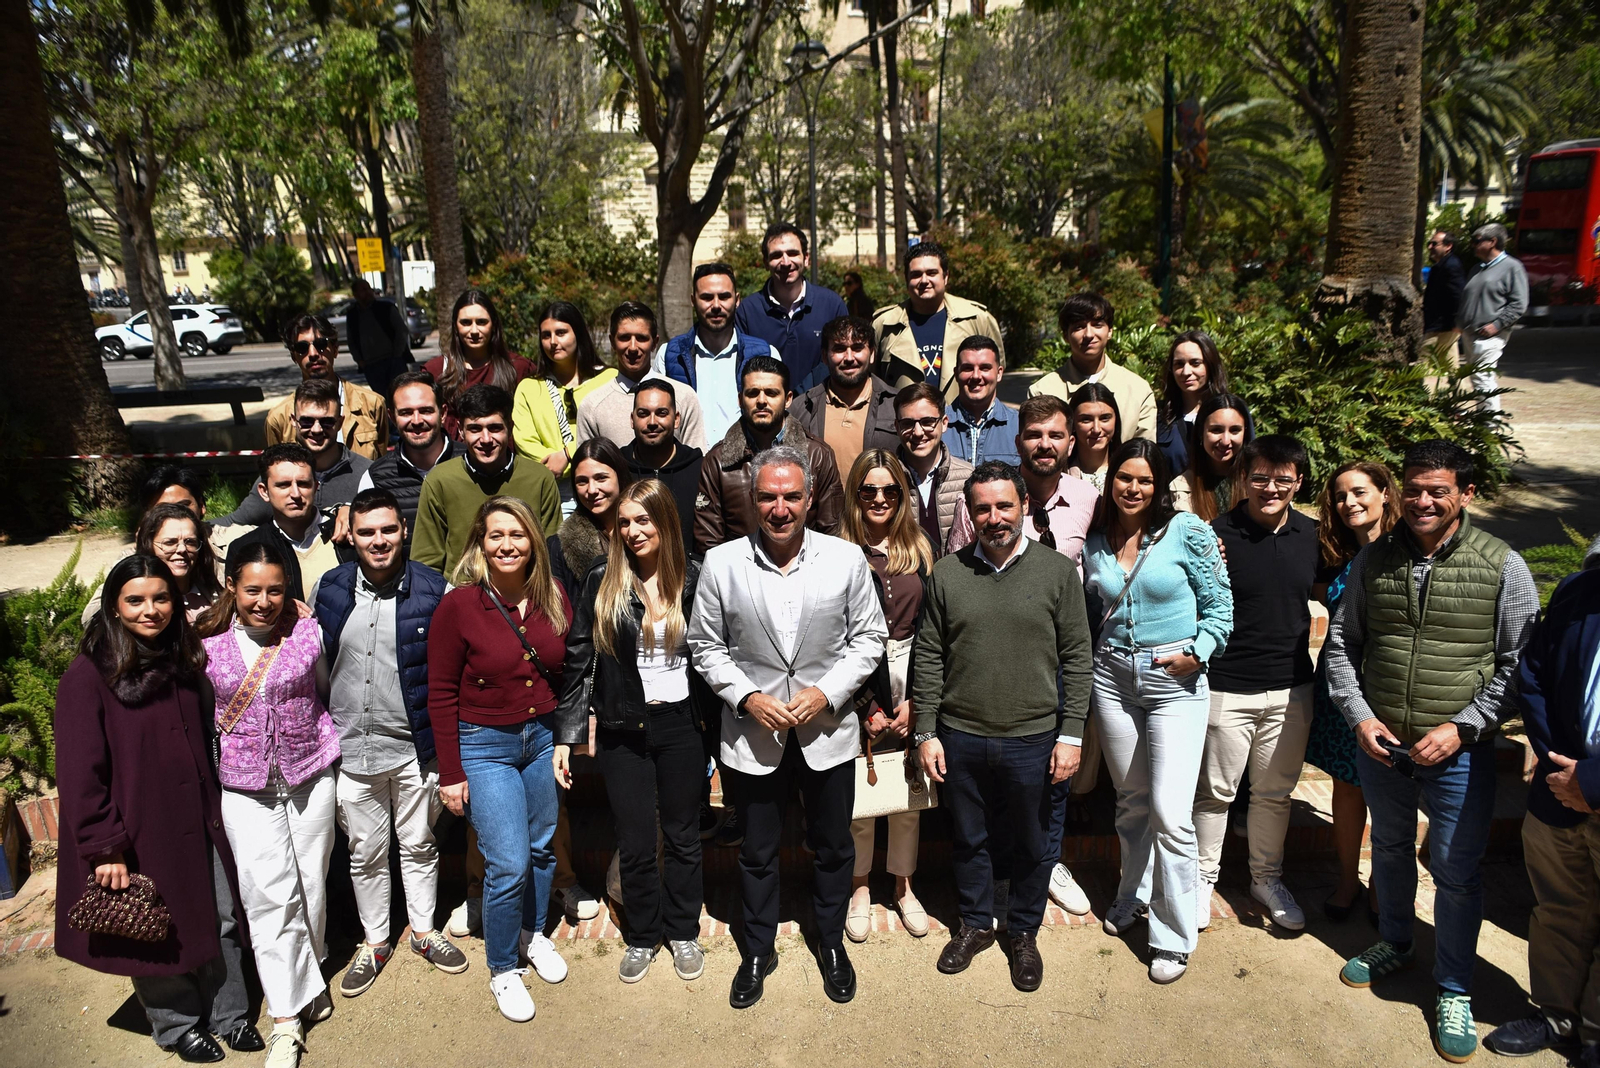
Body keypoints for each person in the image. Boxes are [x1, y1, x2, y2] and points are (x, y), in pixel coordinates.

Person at [1325, 440, 1538, 1062]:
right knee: (1388, 848)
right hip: (1383, 743)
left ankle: (1453, 987)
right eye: (1413, 489)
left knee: (1454, 870)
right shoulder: (1375, 561)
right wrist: (1360, 718)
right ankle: (1396, 940)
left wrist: (1465, 727)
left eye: (1437, 490)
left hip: (1459, 754)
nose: (1422, 500)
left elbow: (1520, 665)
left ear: (1464, 495)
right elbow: (1342, 644)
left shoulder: (1502, 564)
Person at [688, 445, 886, 1009]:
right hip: (754, 734)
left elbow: (869, 639)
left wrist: (828, 690)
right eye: (769, 497)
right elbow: (705, 645)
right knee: (756, 851)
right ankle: (758, 948)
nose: (780, 508)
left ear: (811, 498)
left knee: (832, 846)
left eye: (791, 496)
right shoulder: (723, 563)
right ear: (752, 501)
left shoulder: (846, 559)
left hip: (827, 730)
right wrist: (746, 696)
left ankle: (830, 944)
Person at [55, 555, 258, 1064]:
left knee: (220, 916)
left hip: (200, 817)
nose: (151, 610)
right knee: (154, 927)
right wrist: (105, 846)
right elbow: (80, 774)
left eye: (161, 597)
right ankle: (176, 1024)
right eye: (136, 600)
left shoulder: (182, 659)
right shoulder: (89, 676)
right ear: (114, 606)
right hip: (139, 829)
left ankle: (229, 1015)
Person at [913, 461, 1093, 992]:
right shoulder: (946, 574)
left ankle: (1023, 933)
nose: (994, 517)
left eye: (1004, 506)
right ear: (969, 513)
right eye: (983, 508)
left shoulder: (1057, 573)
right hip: (961, 734)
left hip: (1035, 737)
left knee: (1033, 842)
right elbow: (928, 656)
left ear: (1023, 507)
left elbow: (1077, 657)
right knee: (970, 839)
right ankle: (974, 924)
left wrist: (1072, 732)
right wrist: (926, 731)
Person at [1084, 439, 1232, 985]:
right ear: (1111, 479)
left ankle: (1172, 936)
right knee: (1131, 799)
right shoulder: (1097, 539)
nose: (1133, 488)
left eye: (1145, 480)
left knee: (1171, 812)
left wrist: (1200, 650)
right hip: (1113, 677)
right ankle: (1134, 892)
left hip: (1175, 679)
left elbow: (1220, 604)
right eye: (1125, 477)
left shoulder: (1187, 531)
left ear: (1159, 484)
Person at [310, 490, 467, 998]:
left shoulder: (433, 591)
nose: (378, 541)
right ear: (350, 536)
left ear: (402, 530)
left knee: (419, 844)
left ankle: (423, 931)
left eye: (387, 530)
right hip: (351, 751)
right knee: (365, 852)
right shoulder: (328, 590)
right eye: (366, 532)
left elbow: (448, 678)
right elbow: (313, 668)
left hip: (412, 748)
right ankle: (375, 941)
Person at [554, 480, 712, 984]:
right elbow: (579, 659)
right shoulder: (603, 579)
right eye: (624, 523)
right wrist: (568, 734)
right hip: (623, 726)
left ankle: (683, 929)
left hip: (683, 724)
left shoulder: (695, 578)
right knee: (637, 840)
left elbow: (717, 655)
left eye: (643, 520)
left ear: (665, 522)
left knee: (685, 836)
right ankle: (644, 935)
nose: (633, 531)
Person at [428, 497, 573, 1022]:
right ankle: (502, 967)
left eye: (517, 535)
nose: (507, 545)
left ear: (534, 540)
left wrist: (567, 736)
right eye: (496, 536)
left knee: (540, 850)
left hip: (540, 738)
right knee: (507, 862)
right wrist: (450, 773)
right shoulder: (459, 606)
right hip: (484, 743)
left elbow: (570, 672)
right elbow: (440, 692)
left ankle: (533, 934)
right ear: (480, 544)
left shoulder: (553, 596)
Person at [199, 541, 340, 1068]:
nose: (263, 601)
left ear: (290, 589)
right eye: (252, 589)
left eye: (275, 590)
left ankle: (311, 975)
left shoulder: (309, 631)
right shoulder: (206, 645)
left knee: (310, 887)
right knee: (267, 898)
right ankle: (286, 1017)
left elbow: (322, 691)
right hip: (244, 788)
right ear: (232, 585)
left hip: (309, 776)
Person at [1193, 435, 1321, 934]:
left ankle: (1266, 879)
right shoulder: (1215, 534)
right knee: (1214, 794)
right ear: (1243, 479)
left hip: (1291, 689)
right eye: (1260, 478)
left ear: (1298, 482)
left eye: (1282, 479)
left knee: (1274, 794)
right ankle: (1203, 879)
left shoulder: (1311, 536)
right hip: (1226, 686)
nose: (1270, 488)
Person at [1486, 564, 1600, 1061]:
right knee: (1558, 910)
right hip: (1559, 792)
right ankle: (1557, 1015)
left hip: (1585, 784)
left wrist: (1594, 783)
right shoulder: (1581, 590)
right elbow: (1534, 675)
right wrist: (1563, 771)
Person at [839, 450, 934, 942]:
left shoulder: (919, 548)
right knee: (863, 790)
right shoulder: (836, 551)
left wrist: (919, 700)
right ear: (855, 495)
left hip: (913, 671)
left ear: (902, 495)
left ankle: (903, 886)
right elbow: (830, 639)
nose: (879, 499)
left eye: (890, 491)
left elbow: (936, 631)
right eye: (868, 490)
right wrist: (866, 706)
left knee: (910, 793)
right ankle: (859, 886)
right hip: (860, 675)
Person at [1014, 394, 1101, 916]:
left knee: (1057, 766)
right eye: (1033, 434)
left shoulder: (1090, 498)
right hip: (999, 656)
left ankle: (1048, 862)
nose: (1043, 445)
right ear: (1019, 439)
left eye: (1054, 435)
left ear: (1071, 442)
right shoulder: (993, 492)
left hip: (1062, 656)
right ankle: (1012, 863)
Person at [1306, 461, 1401, 923]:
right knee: (1347, 789)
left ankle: (1385, 886)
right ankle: (1349, 879)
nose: (1349, 503)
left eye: (1360, 492)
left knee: (1390, 794)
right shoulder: (1337, 552)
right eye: (1340, 496)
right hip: (1344, 689)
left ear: (1385, 493)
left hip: (1392, 686)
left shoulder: (1409, 548)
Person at [693, 354, 844, 553]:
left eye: (771, 393)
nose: (761, 401)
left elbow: (832, 535)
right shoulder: (717, 462)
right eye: (753, 393)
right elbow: (708, 543)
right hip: (739, 578)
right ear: (740, 399)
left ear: (788, 399)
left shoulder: (817, 456)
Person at [412, 384, 562, 575]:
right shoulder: (440, 481)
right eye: (475, 429)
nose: (486, 439)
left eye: (495, 428)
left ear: (510, 427)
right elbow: (426, 562)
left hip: (527, 595)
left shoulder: (540, 479)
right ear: (460, 430)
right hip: (462, 593)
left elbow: (552, 555)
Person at [217, 378, 371, 528]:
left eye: (327, 422)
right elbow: (235, 523)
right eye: (306, 422)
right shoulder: (278, 472)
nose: (316, 429)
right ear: (293, 421)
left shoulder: (367, 474)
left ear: (340, 423)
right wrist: (195, 525)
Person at [659, 262, 776, 444]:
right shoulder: (669, 355)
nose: (716, 305)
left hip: (746, 467)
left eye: (724, 297)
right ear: (693, 300)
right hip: (688, 467)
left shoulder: (766, 354)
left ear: (737, 300)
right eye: (706, 297)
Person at [874, 241, 1005, 400]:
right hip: (906, 423)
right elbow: (874, 383)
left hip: (966, 422)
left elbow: (996, 376)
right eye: (916, 274)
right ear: (906, 279)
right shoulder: (884, 325)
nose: (924, 280)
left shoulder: (978, 319)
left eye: (931, 273)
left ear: (946, 277)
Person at [512, 301, 618, 496]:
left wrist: (568, 455)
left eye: (561, 333)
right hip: (550, 487)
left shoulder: (609, 380)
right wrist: (553, 464)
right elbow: (524, 442)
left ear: (578, 333)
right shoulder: (529, 388)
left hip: (602, 486)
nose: (553, 341)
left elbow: (612, 432)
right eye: (546, 335)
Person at [222, 443, 352, 602]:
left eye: (303, 484)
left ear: (315, 487)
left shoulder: (346, 533)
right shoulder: (244, 548)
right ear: (264, 492)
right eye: (283, 485)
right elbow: (237, 610)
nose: (296, 494)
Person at [734, 222, 848, 393]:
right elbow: (742, 370)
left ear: (806, 258)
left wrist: (801, 400)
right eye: (776, 255)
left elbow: (843, 360)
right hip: (767, 412)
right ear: (766, 262)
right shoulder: (747, 312)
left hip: (821, 409)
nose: (786, 262)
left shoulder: (831, 305)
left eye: (793, 253)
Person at [1027, 293, 1156, 442]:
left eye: (1097, 325)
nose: (1088, 334)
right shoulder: (1043, 391)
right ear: (1065, 336)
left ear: (1110, 332)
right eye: (1079, 327)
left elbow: (1145, 455)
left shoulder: (1137, 390)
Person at [577, 301, 705, 449]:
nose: (633, 347)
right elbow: (586, 468)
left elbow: (696, 463)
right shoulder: (592, 407)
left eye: (641, 338)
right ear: (612, 342)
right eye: (624, 338)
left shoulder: (683, 397)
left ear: (654, 343)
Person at [265, 313, 388, 460]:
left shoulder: (372, 404)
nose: (313, 354)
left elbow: (381, 467)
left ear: (335, 349)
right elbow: (275, 473)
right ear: (294, 357)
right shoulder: (278, 418)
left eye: (321, 344)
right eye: (302, 347)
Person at [792, 314, 900, 480]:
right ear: (824, 357)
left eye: (857, 348)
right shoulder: (801, 409)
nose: (849, 358)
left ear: (872, 354)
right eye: (839, 349)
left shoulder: (897, 405)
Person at [82, 504, 223, 627]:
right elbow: (91, 619)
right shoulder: (128, 583)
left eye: (190, 542)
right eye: (169, 542)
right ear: (149, 544)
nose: (182, 549)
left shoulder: (213, 585)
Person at [424, 289, 536, 439]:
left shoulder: (519, 368)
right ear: (455, 326)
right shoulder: (436, 371)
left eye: (482, 322)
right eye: (466, 323)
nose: (474, 330)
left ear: (494, 325)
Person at [357, 370, 454, 542]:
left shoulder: (471, 462)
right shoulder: (375, 479)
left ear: (443, 413)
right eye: (406, 413)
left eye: (425, 410)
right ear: (392, 417)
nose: (416, 421)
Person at [893, 382, 974, 557]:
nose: (918, 432)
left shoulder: (968, 478)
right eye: (907, 423)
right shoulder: (886, 479)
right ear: (897, 427)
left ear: (944, 423)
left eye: (927, 422)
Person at [622, 379, 702, 554]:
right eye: (643, 413)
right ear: (632, 419)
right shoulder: (617, 467)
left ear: (676, 419)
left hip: (689, 577)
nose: (652, 421)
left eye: (661, 413)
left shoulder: (699, 468)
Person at [548, 437, 632, 599]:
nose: (592, 489)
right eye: (582, 481)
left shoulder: (648, 529)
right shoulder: (559, 547)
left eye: (601, 478)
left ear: (620, 476)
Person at [1458, 222, 1528, 414]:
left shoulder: (1512, 267)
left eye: (1476, 240)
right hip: (1470, 333)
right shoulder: (1477, 269)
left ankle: (1491, 423)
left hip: (1490, 335)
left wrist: (1496, 325)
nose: (1472, 245)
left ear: (1492, 242)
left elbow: (1519, 303)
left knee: (1483, 377)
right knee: (1476, 377)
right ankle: (1483, 418)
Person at [1155, 331, 1233, 476]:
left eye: (1195, 363)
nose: (1186, 371)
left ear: (1210, 365)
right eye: (1179, 364)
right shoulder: (1158, 415)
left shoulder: (1232, 412)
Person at [1170, 393, 1252, 521]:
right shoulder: (1181, 486)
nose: (1225, 441)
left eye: (1234, 430)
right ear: (1200, 433)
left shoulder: (1260, 482)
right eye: (1216, 430)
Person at [942, 336, 1020, 468]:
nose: (976, 376)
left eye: (985, 368)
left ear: (999, 373)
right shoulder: (937, 427)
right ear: (956, 373)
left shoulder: (1018, 426)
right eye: (968, 368)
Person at [346, 278, 411, 404]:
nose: (368, 292)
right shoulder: (353, 315)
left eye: (368, 288)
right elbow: (352, 340)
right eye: (363, 290)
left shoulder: (386, 308)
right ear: (355, 294)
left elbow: (401, 331)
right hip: (371, 365)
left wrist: (397, 355)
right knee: (382, 401)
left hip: (393, 362)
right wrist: (359, 360)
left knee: (402, 397)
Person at [1064, 382, 1123, 491]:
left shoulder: (1128, 471)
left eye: (1105, 418)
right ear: (1072, 425)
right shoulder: (1060, 475)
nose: (1096, 429)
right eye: (1086, 419)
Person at [1423, 231, 1467, 366]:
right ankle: (1456, 386)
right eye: (1429, 243)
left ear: (1448, 246)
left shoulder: (1451, 266)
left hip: (1443, 326)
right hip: (1440, 324)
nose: (1430, 247)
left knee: (1423, 363)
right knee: (1450, 363)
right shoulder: (1441, 266)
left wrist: (1456, 323)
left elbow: (1458, 295)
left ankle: (1418, 387)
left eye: (1434, 244)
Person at [139, 465, 208, 520]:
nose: (175, 515)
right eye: (163, 510)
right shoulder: (142, 537)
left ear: (201, 506)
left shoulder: (218, 536)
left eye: (183, 506)